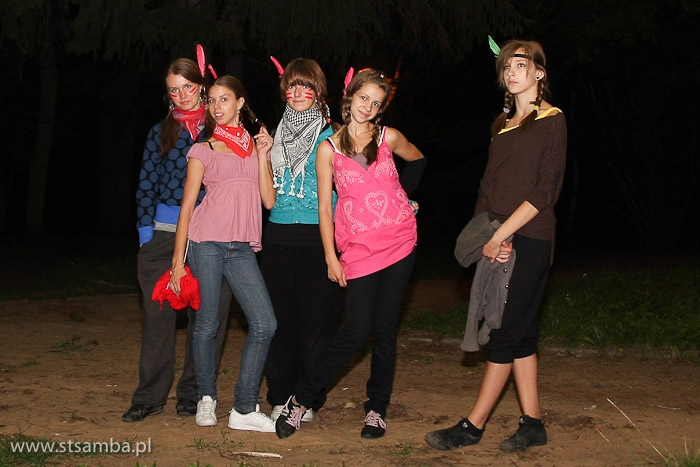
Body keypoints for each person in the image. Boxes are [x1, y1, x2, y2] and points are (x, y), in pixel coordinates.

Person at [424, 39, 567, 452]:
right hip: (499, 234)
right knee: (521, 335)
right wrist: (486, 234)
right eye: (507, 67)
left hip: (531, 238)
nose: (512, 72)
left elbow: (545, 190)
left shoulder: (552, 120)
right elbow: (488, 188)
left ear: (539, 72)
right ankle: (533, 425)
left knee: (503, 331)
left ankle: (472, 426)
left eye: (521, 65)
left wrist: (502, 235)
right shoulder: (501, 125)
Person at [275, 68, 427, 440]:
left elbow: (419, 160)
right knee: (355, 331)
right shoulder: (328, 148)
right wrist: (330, 257)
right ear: (350, 96)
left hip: (400, 243)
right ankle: (301, 400)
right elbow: (324, 209)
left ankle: (377, 410)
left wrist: (404, 199)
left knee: (385, 331)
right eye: (363, 98)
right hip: (358, 250)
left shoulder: (389, 137)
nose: (368, 107)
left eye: (376, 103)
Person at [123, 57, 232, 423]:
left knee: (209, 319)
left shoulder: (223, 130)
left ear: (201, 86)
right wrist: (146, 237)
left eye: (188, 87)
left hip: (211, 236)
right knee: (158, 318)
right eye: (174, 90)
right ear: (167, 94)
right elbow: (145, 186)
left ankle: (195, 393)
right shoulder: (160, 131)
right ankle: (149, 397)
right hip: (164, 235)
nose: (183, 95)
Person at [168, 75, 278, 431]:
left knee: (265, 324)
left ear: (240, 103)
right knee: (207, 324)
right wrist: (177, 263)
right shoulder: (204, 149)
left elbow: (268, 200)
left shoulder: (256, 147)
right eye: (212, 100)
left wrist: (263, 155)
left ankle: (244, 407)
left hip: (242, 247)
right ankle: (206, 397)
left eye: (224, 99)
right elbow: (187, 208)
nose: (216, 107)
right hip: (206, 242)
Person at [259, 58, 342, 424]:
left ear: (318, 90)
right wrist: (263, 155)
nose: (297, 92)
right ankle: (280, 395)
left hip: (318, 238)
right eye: (291, 85)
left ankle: (305, 399)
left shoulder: (334, 134)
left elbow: (363, 177)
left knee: (316, 324)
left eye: (305, 85)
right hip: (278, 236)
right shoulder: (274, 134)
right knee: (279, 323)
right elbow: (268, 196)